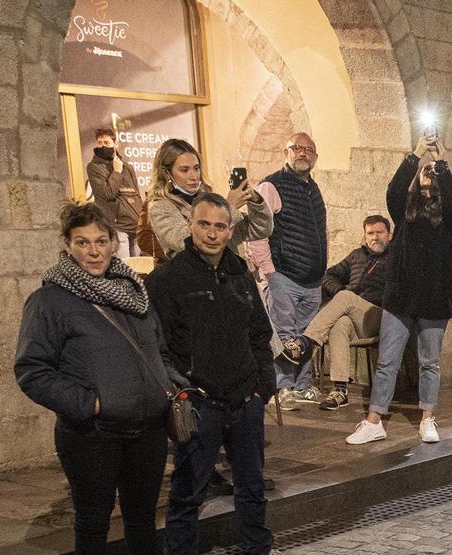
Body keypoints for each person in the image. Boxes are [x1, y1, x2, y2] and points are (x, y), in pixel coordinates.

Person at [14, 201, 195, 555]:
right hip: (90, 433)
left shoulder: (134, 292)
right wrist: (88, 404)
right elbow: (32, 370)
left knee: (140, 514)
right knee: (93, 519)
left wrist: (171, 385)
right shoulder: (50, 301)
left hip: (146, 427)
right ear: (67, 245)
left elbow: (158, 351)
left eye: (101, 241)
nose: (94, 251)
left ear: (115, 243)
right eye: (83, 242)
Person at [147, 194, 309, 555]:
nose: (213, 233)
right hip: (200, 400)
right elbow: (159, 345)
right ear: (191, 226)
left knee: (251, 482)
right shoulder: (167, 280)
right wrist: (182, 389)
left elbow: (258, 331)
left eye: (221, 226)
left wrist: (261, 384)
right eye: (205, 225)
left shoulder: (238, 271)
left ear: (230, 231)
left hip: (244, 397)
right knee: (189, 488)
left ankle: (257, 553)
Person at [345, 134, 452, 446]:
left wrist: (441, 163)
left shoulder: (448, 220)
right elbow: (394, 190)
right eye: (423, 171)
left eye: (432, 172)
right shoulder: (404, 212)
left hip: (434, 300)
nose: (428, 172)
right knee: (387, 360)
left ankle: (427, 418)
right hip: (400, 298)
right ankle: (374, 420)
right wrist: (416, 154)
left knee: (430, 362)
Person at [251, 133, 327, 409]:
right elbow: (257, 232)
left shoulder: (313, 188)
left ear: (315, 158)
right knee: (284, 334)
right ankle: (283, 388)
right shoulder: (272, 185)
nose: (303, 153)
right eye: (297, 148)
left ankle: (303, 386)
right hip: (284, 274)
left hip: (312, 279)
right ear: (286, 152)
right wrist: (269, 271)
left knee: (306, 336)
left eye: (309, 149)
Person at [292, 215, 391, 413]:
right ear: (364, 236)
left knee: (346, 297)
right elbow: (329, 274)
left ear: (389, 234)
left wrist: (344, 295)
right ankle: (340, 390)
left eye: (380, 232)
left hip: (380, 316)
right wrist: (338, 291)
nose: (375, 237)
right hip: (354, 316)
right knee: (340, 324)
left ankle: (306, 341)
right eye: (370, 233)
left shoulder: (395, 258)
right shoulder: (357, 255)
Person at [141, 139, 271, 264]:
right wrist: (229, 207)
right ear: (166, 173)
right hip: (200, 282)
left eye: (196, 168)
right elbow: (185, 241)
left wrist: (255, 200)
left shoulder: (211, 200)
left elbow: (261, 229)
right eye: (185, 170)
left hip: (235, 278)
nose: (194, 176)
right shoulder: (161, 207)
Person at [85, 127, 143, 259]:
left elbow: (136, 195)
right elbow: (107, 194)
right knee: (125, 270)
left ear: (116, 144)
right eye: (99, 143)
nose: (102, 146)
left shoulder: (128, 168)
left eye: (106, 143)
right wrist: (116, 172)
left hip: (135, 227)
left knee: (141, 272)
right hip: (118, 227)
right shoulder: (94, 168)